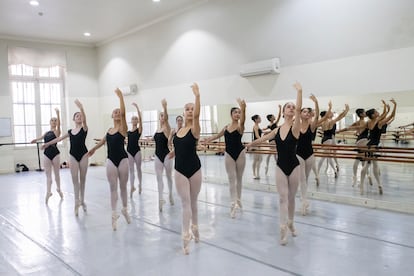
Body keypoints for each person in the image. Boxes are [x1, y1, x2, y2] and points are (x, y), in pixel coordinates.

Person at [247, 82, 303, 246]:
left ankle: (291, 222)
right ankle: (282, 228)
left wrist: (299, 92)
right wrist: (251, 144)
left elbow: (299, 111)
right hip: (280, 166)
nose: (292, 109)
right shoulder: (277, 130)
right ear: (284, 111)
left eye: (293, 107)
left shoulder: (296, 127)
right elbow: (263, 139)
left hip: (294, 166)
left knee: (291, 198)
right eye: (289, 107)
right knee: (282, 199)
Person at [88, 88, 131, 231]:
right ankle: (114, 214)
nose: (118, 113)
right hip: (111, 160)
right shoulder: (109, 130)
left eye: (119, 112)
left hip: (123, 160)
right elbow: (102, 141)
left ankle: (124, 209)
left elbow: (124, 114)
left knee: (123, 187)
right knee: (113, 188)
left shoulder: (123, 129)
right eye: (115, 112)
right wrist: (94, 149)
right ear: (112, 116)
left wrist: (121, 98)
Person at [170, 83, 202, 255]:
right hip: (180, 169)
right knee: (185, 203)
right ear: (183, 113)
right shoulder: (178, 131)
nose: (190, 111)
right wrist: (173, 153)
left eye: (192, 108)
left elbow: (196, 117)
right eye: (187, 109)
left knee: (194, 201)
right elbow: (181, 146)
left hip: (195, 168)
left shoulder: (195, 128)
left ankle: (195, 227)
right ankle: (185, 235)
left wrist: (197, 96)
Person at [41, 100, 88, 215]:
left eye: (81, 116)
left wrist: (81, 108)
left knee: (82, 180)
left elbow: (85, 120)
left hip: (84, 155)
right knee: (74, 180)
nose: (79, 117)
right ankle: (76, 202)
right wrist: (47, 144)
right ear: (74, 119)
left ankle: (82, 200)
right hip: (73, 156)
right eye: (77, 116)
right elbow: (58, 139)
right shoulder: (70, 132)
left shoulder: (84, 128)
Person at [203, 98, 246, 218]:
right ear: (231, 115)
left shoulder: (240, 127)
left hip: (240, 153)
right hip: (229, 154)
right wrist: (208, 140)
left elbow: (243, 121)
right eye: (235, 112)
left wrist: (244, 108)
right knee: (231, 179)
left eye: (239, 112)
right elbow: (218, 135)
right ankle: (233, 203)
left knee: (239, 178)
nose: (237, 114)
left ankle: (238, 199)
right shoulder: (226, 127)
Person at [360, 99, 397, 195]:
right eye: (376, 112)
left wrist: (386, 108)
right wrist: (395, 105)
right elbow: (391, 116)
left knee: (371, 165)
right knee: (371, 165)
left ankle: (373, 184)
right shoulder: (379, 123)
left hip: (369, 145)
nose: (378, 112)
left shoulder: (369, 122)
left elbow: (383, 115)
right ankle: (372, 184)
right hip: (374, 146)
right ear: (373, 115)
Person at [31, 108, 63, 204]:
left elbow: (59, 125)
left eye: (55, 120)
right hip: (46, 154)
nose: (54, 122)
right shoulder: (47, 132)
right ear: (49, 122)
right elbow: (40, 138)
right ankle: (48, 192)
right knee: (48, 175)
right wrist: (35, 140)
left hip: (55, 154)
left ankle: (58, 188)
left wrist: (58, 114)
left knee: (56, 173)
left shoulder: (57, 131)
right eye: (52, 120)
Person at [296, 94, 320, 215]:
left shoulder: (312, 126)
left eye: (307, 112)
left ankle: (303, 197)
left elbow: (317, 117)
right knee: (302, 178)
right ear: (300, 114)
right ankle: (304, 202)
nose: (306, 113)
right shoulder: (296, 126)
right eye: (303, 111)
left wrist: (316, 102)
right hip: (298, 154)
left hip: (310, 155)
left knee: (305, 177)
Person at [336, 108, 369, 186]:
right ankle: (358, 176)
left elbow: (350, 127)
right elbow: (350, 128)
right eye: (364, 112)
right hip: (363, 141)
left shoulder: (358, 122)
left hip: (360, 140)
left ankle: (361, 175)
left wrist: (340, 131)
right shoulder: (364, 122)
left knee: (361, 158)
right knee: (360, 158)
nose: (365, 113)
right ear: (361, 114)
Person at [317, 102, 349, 178]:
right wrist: (346, 111)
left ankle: (331, 170)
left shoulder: (322, 122)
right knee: (326, 156)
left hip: (325, 139)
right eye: (329, 113)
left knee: (326, 156)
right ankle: (321, 172)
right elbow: (340, 117)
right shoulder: (330, 122)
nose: (331, 113)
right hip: (328, 140)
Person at [153, 99, 174, 212]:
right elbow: (155, 139)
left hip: (167, 155)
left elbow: (166, 118)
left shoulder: (167, 129)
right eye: (160, 116)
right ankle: (160, 198)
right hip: (157, 155)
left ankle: (170, 194)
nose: (162, 117)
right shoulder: (157, 129)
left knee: (168, 176)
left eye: (163, 116)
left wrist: (165, 107)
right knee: (159, 177)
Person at [127, 102, 143, 197]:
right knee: (131, 170)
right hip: (129, 151)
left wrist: (137, 107)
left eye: (135, 119)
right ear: (131, 121)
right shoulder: (128, 132)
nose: (134, 120)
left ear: (137, 122)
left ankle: (140, 184)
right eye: (133, 119)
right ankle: (132, 186)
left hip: (137, 151)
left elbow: (140, 120)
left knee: (138, 168)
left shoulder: (139, 129)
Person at [262, 105, 282, 175]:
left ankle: (270, 166)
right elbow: (279, 116)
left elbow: (266, 128)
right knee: (274, 153)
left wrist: (265, 130)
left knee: (273, 153)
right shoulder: (273, 124)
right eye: (273, 116)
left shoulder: (270, 125)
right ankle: (275, 166)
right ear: (271, 118)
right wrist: (280, 108)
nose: (274, 117)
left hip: (273, 140)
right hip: (273, 140)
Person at [251, 114, 263, 179]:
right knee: (256, 159)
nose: (260, 119)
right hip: (256, 144)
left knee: (259, 159)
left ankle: (257, 174)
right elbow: (257, 136)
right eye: (259, 118)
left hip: (258, 143)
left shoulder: (258, 126)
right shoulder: (255, 126)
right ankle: (254, 174)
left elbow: (260, 135)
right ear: (256, 119)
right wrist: (263, 140)